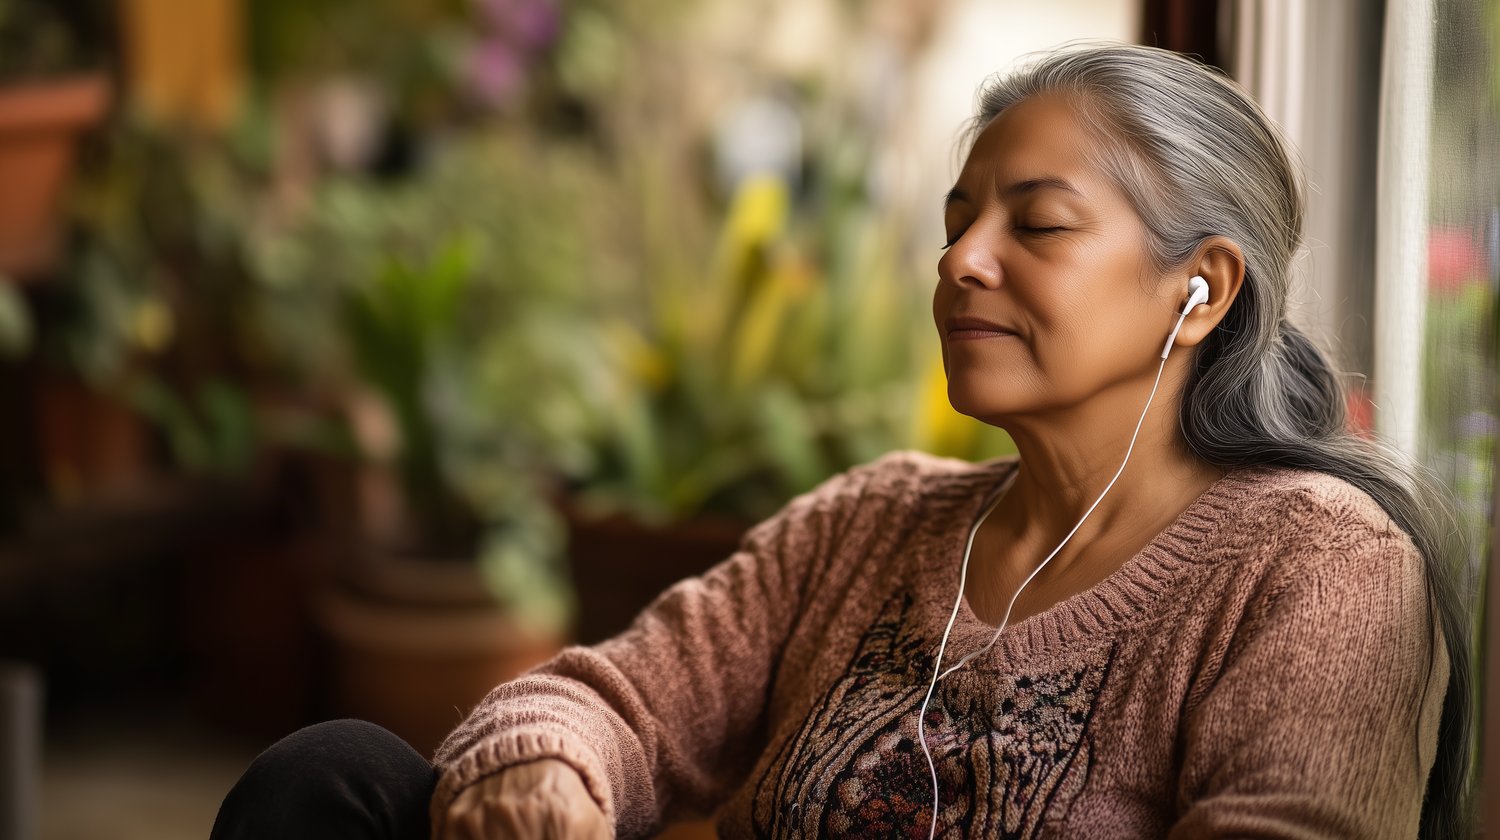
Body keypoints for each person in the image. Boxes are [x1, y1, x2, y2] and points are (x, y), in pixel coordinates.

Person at [211, 43, 1473, 840]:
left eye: (1035, 227)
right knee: (338, 779)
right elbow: (609, 698)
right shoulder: (877, 520)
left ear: (1199, 287)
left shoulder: (1319, 566)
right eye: (959, 217)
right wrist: (551, 770)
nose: (961, 261)